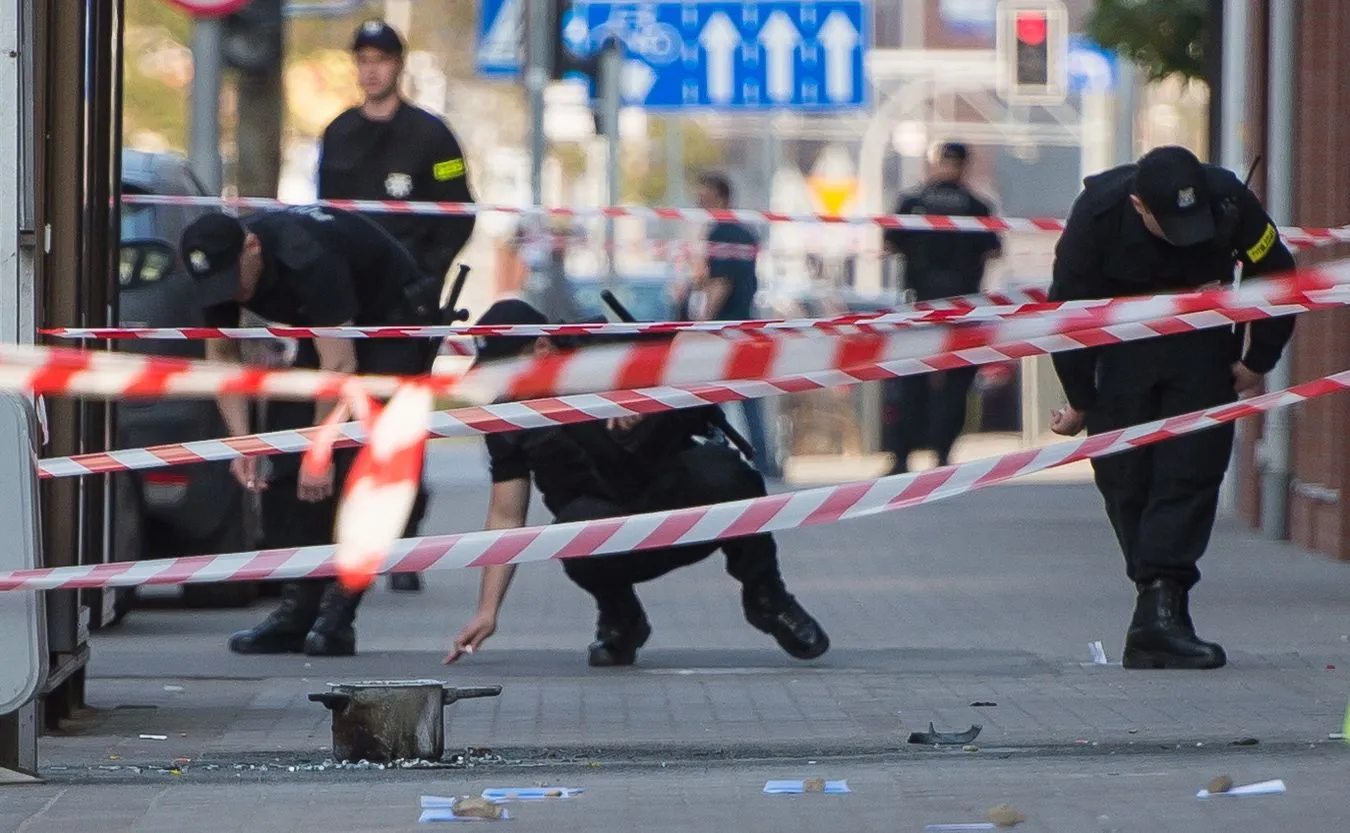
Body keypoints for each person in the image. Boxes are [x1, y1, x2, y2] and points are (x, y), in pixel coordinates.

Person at [446, 299, 829, 668]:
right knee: (572, 529)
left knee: (727, 472)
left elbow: (701, 342)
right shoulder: (509, 419)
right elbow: (506, 515)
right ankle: (620, 619)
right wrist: (487, 611)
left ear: (543, 348)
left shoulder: (606, 350)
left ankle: (767, 597)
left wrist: (649, 396)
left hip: (682, 510)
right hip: (613, 534)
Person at [1047, 145, 1297, 670]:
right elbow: (1067, 316)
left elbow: (1276, 275)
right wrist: (1080, 401)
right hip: (1120, 355)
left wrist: (1258, 360)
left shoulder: (1228, 200)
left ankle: (1163, 610)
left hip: (1201, 352)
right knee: (1125, 478)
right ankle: (1155, 609)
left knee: (1189, 471)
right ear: (1139, 206)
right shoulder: (1097, 216)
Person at [179, 205, 443, 657]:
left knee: (353, 465)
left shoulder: (306, 255)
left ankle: (338, 617)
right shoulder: (221, 266)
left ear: (252, 246)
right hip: (326, 337)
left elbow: (340, 366)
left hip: (392, 324)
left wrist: (320, 453)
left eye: (235, 280)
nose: (233, 294)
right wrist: (243, 442)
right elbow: (221, 361)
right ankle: (296, 611)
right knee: (284, 461)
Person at [318, 20, 478, 592]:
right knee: (349, 415)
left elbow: (461, 210)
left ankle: (405, 541)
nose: (371, 69)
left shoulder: (432, 137)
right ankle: (348, 538)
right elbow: (324, 217)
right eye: (362, 58)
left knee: (401, 423)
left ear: (398, 65)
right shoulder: (337, 134)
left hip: (408, 307)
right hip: (350, 302)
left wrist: (425, 277)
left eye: (381, 59)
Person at [882, 142, 1003, 473]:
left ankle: (902, 455)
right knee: (956, 383)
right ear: (965, 165)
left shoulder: (913, 202)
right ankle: (942, 453)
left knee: (909, 380)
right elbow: (993, 251)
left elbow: (889, 243)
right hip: (963, 306)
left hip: (920, 303)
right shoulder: (978, 206)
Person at [682, 172, 778, 477]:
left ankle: (715, 457)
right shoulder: (745, 232)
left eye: (705, 198)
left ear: (721, 198)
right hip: (745, 323)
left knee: (711, 397)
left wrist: (701, 325)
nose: (701, 204)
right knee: (748, 396)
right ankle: (763, 459)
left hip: (723, 328)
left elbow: (721, 283)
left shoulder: (721, 232)